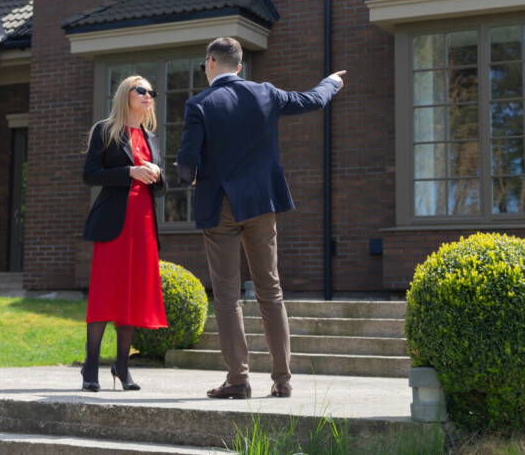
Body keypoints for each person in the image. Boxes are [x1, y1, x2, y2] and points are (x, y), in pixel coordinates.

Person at [176, 37, 346, 399]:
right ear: (239, 66)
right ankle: (282, 380)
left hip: (219, 206)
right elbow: (312, 100)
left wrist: (189, 177)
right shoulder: (265, 93)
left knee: (226, 295)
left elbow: (187, 164)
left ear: (210, 62)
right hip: (260, 204)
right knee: (271, 289)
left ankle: (238, 380)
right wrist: (331, 82)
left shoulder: (199, 104)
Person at [80, 75, 168, 392]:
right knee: (105, 293)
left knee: (133, 295)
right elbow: (90, 175)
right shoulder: (105, 131)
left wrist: (158, 175)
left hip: (142, 224)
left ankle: (122, 366)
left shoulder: (151, 137)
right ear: (125, 95)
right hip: (113, 224)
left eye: (151, 92)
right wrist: (129, 172)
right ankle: (91, 366)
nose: (148, 96)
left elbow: (160, 188)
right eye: (141, 90)